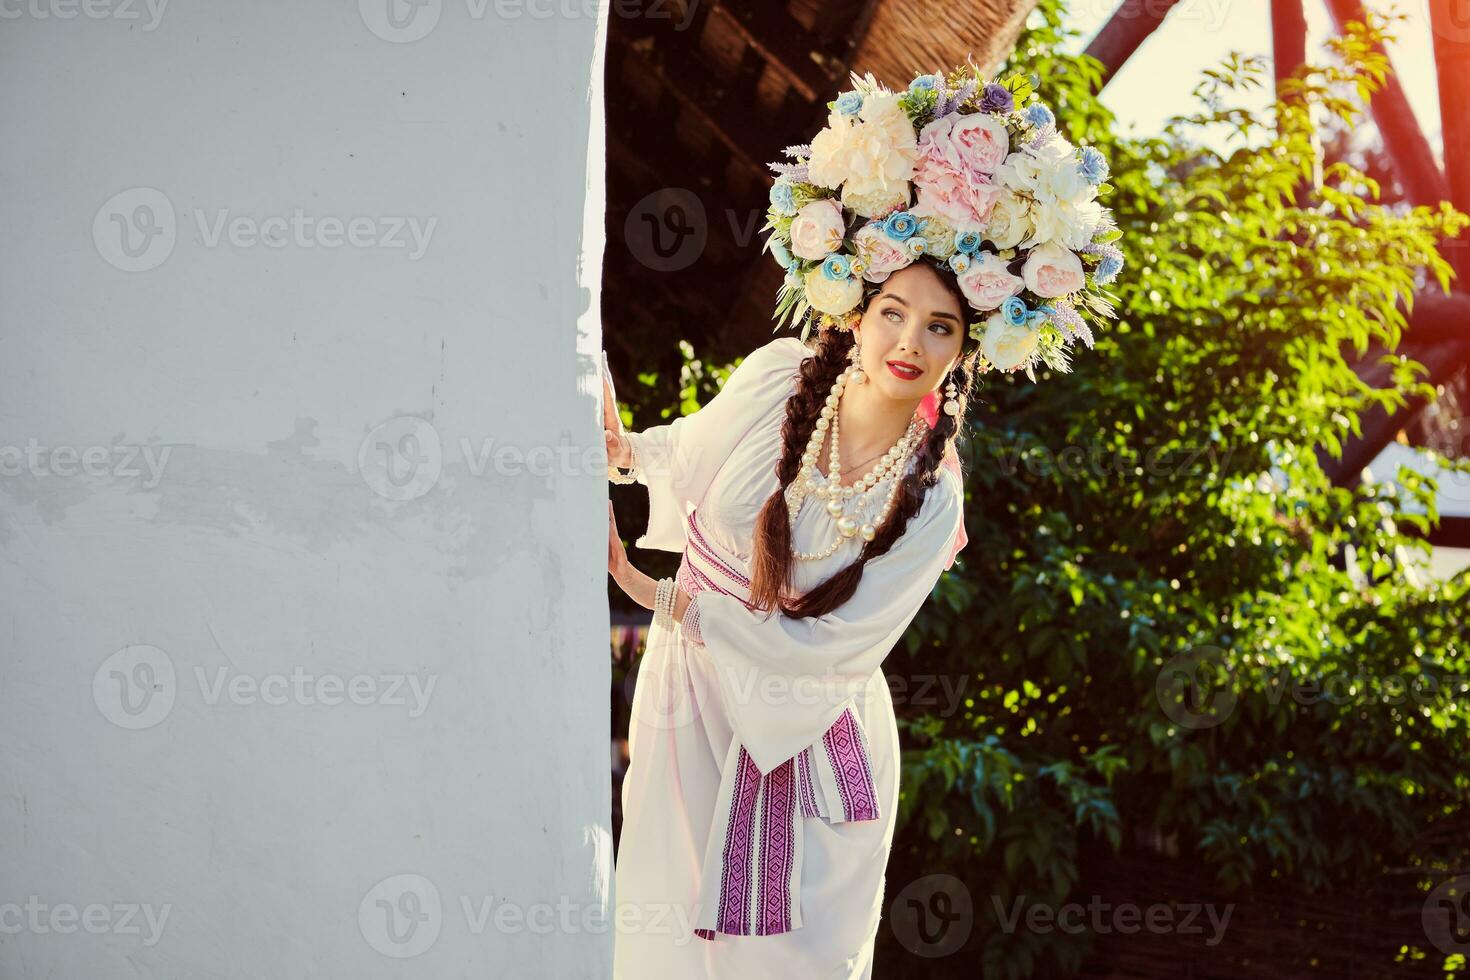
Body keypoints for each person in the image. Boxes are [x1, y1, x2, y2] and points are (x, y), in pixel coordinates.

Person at [605, 260, 979, 978]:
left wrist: (647, 590)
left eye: (941, 327)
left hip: (809, 725)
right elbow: (685, 455)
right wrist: (626, 456)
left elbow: (832, 653)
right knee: (666, 927)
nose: (910, 343)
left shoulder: (932, 500)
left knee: (793, 958)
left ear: (964, 350)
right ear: (856, 317)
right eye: (893, 313)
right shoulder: (782, 376)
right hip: (691, 697)